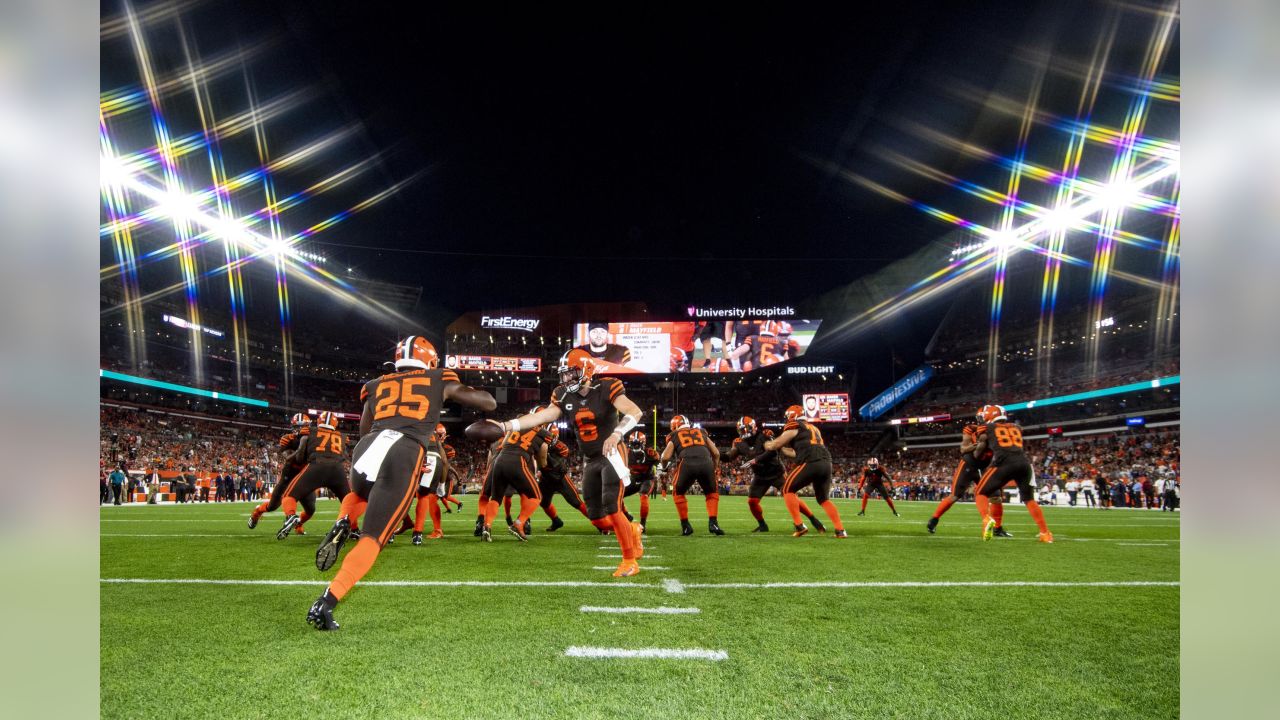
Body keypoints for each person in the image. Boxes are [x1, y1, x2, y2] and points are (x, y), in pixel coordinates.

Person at [307, 336, 496, 631]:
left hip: (368, 447)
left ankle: (344, 518)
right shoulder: (439, 376)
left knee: (360, 493)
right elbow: (488, 402)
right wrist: (456, 390)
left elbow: (364, 428)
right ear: (430, 360)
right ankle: (327, 602)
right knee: (374, 537)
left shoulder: (375, 384)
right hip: (405, 449)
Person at [486, 349, 645, 577]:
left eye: (571, 373)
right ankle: (632, 529)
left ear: (587, 370)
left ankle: (629, 561)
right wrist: (506, 425)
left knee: (612, 504)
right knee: (597, 519)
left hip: (612, 453)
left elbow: (634, 411)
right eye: (565, 374)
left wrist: (617, 433)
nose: (566, 379)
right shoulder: (562, 394)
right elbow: (541, 417)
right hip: (590, 458)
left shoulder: (608, 387)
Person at [724, 415, 824, 533]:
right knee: (752, 502)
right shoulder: (739, 442)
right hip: (760, 476)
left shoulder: (765, 434)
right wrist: (715, 454)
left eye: (745, 429)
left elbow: (773, 452)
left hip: (776, 472)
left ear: (753, 427)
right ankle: (762, 525)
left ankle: (813, 519)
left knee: (790, 495)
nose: (743, 432)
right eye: (741, 430)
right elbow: (729, 456)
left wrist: (756, 460)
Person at [972, 405, 1053, 543]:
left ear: (990, 415)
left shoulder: (987, 427)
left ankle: (986, 519)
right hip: (1023, 463)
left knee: (980, 492)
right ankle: (1045, 533)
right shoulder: (1016, 427)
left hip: (1004, 462)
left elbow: (981, 436)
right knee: (1029, 499)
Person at [764, 405, 847, 538]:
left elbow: (775, 444)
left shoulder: (795, 424)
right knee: (823, 499)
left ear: (792, 416)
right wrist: (781, 449)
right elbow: (795, 453)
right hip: (826, 462)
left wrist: (768, 444)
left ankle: (799, 525)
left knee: (786, 489)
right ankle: (840, 530)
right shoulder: (813, 428)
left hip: (811, 461)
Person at [478, 407, 553, 542]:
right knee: (536, 496)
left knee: (495, 498)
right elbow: (542, 458)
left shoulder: (518, 424)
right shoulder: (544, 433)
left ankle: (487, 526)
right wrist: (543, 466)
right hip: (517, 461)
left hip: (499, 460)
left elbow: (505, 442)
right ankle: (519, 523)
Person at [276, 411, 350, 540]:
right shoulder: (343, 436)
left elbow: (299, 457)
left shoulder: (309, 431)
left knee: (289, 496)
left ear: (318, 422)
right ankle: (354, 529)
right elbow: (345, 455)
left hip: (317, 466)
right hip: (337, 470)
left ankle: (291, 516)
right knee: (349, 502)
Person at [927, 412, 1002, 535]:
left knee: (996, 497)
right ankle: (934, 519)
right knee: (955, 496)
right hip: (969, 464)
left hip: (985, 466)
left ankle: (997, 529)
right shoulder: (971, 429)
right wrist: (978, 445)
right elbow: (963, 449)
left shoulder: (996, 431)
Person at [248, 414, 319, 534]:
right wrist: (302, 445)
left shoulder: (313, 440)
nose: (301, 429)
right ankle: (257, 512)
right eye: (298, 426)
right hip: (289, 476)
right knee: (272, 506)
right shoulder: (287, 439)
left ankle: (298, 524)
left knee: (310, 509)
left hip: (304, 477)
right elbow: (289, 458)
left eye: (304, 426)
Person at [660, 415, 724, 536]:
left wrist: (663, 468)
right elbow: (716, 453)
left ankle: (686, 526)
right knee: (712, 493)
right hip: (706, 462)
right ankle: (713, 523)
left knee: (677, 492)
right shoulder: (701, 432)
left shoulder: (674, 435)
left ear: (674, 426)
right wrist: (713, 468)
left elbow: (665, 457)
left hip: (687, 463)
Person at [623, 431, 660, 531]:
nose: (635, 446)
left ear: (643, 443)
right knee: (617, 495)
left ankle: (642, 524)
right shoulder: (626, 453)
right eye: (633, 444)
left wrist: (659, 473)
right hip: (633, 480)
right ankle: (627, 515)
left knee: (644, 496)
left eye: (637, 444)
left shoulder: (651, 453)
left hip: (647, 479)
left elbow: (660, 465)